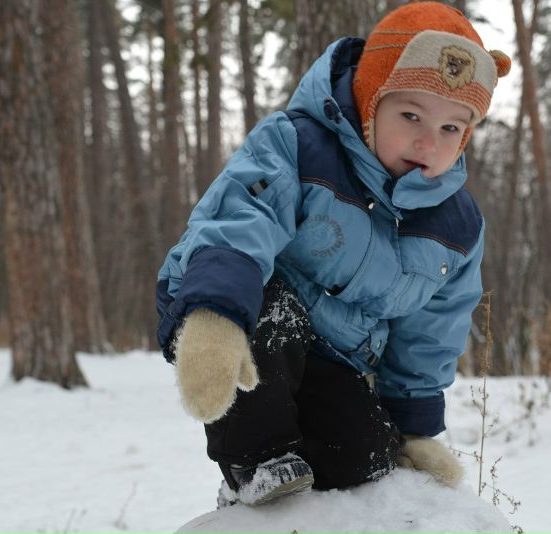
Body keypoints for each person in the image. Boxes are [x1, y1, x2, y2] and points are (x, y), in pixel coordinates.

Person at [155, 1, 510, 507]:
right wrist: (216, 312)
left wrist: (413, 430)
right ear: (370, 101)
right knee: (269, 321)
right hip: (240, 308)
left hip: (336, 353)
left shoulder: (457, 225)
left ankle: (312, 474)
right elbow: (239, 218)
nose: (428, 141)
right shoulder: (298, 146)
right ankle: (253, 469)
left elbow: (432, 330)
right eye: (411, 115)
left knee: (363, 456)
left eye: (452, 128)